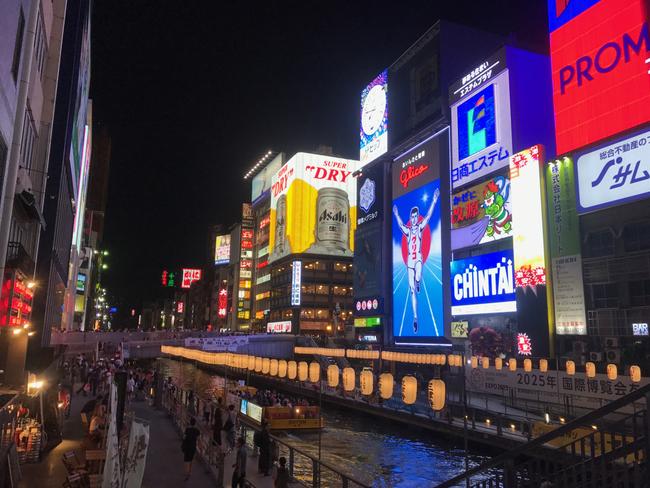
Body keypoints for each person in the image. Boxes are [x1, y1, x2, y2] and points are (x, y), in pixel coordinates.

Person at [392, 187, 439, 333]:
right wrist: (396, 214)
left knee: (418, 277)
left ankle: (418, 281)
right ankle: (415, 318)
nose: (413, 219)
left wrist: (434, 200)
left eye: (415, 217)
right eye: (411, 217)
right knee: (412, 291)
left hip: (418, 258)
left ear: (417, 217)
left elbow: (429, 216)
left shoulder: (419, 228)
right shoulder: (407, 230)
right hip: (409, 263)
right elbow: (400, 225)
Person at [181, 417, 200, 481]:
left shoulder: (187, 429)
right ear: (195, 423)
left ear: (190, 422)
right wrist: (200, 447)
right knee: (191, 460)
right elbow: (198, 439)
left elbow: (184, 437)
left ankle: (187, 473)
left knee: (186, 460)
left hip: (187, 446)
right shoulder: (197, 431)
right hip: (193, 447)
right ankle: (190, 472)